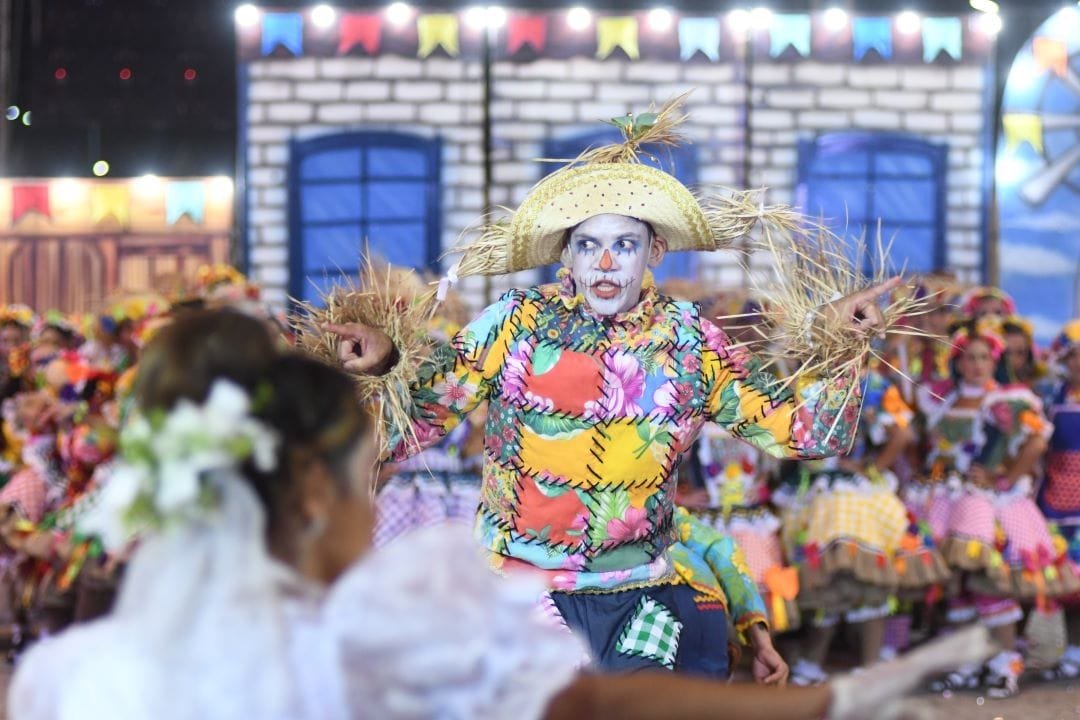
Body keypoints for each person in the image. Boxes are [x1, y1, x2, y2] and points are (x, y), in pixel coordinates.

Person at [11, 309, 994, 720]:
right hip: (548, 590)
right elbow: (603, 708)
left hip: (640, 588)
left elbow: (800, 427)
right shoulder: (381, 635)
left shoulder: (62, 678)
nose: (372, 500)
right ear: (311, 493)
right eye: (363, 476)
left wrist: (833, 362)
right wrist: (843, 698)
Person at [325, 100, 901, 679]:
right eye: (587, 244)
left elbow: (808, 435)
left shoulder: (691, 342)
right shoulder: (515, 325)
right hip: (520, 598)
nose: (604, 262)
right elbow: (405, 432)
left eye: (624, 244)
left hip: (638, 599)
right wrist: (384, 363)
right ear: (566, 255)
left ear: (654, 252)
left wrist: (841, 348)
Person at [917, 319, 1079, 697]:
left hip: (989, 506)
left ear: (995, 361)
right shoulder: (944, 400)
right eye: (968, 357)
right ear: (956, 362)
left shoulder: (1009, 399)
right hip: (946, 499)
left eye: (983, 358)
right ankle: (967, 662)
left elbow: (1037, 443)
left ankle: (1006, 662)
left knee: (990, 580)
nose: (975, 365)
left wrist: (1004, 477)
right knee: (957, 582)